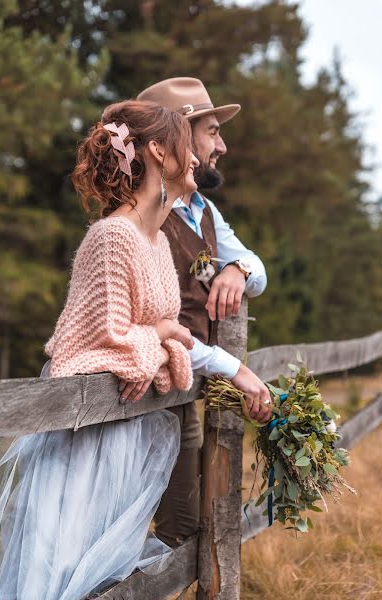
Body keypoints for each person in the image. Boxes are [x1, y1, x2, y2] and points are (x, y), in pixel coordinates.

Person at [0, 100, 199, 600]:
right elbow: (91, 345)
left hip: (125, 437)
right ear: (157, 151)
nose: (195, 159)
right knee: (64, 566)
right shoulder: (112, 237)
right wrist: (164, 339)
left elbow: (156, 330)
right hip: (87, 445)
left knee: (108, 572)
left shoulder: (155, 241)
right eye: (187, 146)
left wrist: (166, 340)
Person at [137, 77, 272, 547]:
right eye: (212, 131)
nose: (223, 146)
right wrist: (230, 366)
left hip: (180, 389)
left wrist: (236, 268)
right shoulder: (139, 213)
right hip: (141, 396)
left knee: (182, 531)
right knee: (165, 532)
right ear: (179, 134)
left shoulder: (204, 210)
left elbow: (258, 270)